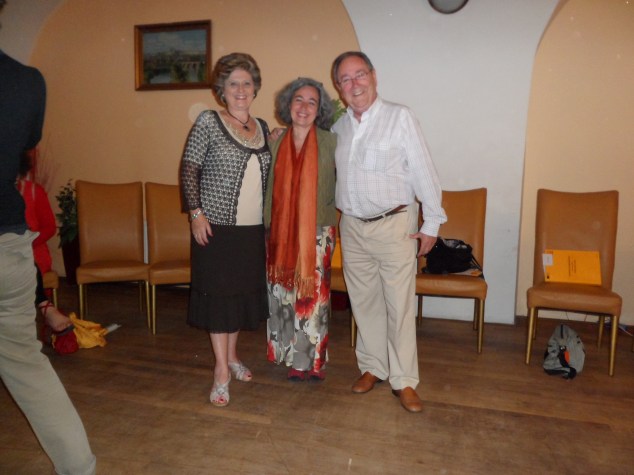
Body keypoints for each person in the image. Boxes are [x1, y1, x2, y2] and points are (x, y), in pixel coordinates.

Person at [0, 16, 97, 475]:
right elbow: (23, 144)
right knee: (27, 366)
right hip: (8, 244)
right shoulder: (27, 81)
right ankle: (79, 467)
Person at [331, 51, 447, 413]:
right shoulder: (338, 128)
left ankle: (404, 380)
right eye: (345, 79)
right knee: (364, 303)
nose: (354, 84)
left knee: (399, 306)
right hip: (352, 227)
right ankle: (373, 367)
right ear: (339, 87)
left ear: (373, 76)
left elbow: (424, 170)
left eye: (359, 74)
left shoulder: (400, 117)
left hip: (395, 225)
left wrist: (431, 223)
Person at [180, 52, 272, 407]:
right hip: (215, 229)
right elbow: (189, 168)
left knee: (237, 297)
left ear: (255, 87)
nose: (241, 89)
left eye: (247, 83)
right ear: (222, 89)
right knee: (219, 300)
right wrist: (196, 214)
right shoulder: (208, 121)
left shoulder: (262, 127)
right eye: (233, 83)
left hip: (251, 231)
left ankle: (233, 357)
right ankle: (220, 371)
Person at [264, 78, 337, 381]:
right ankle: (286, 353)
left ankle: (310, 361)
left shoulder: (332, 142)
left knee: (312, 298)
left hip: (317, 231)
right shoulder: (274, 141)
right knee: (283, 294)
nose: (304, 107)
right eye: (298, 99)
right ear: (288, 104)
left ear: (320, 110)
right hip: (280, 230)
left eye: (312, 102)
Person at [17, 149, 74, 336]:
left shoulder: (34, 192)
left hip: (33, 251)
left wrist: (27, 242)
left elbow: (49, 227)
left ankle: (43, 308)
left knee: (22, 263)